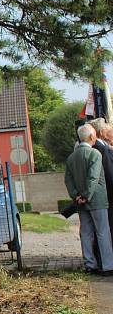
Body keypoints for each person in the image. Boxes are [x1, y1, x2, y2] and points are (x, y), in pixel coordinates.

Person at [64, 123, 113, 276]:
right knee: (103, 232)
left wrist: (76, 195)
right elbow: (93, 177)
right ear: (92, 137)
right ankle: (107, 265)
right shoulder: (95, 154)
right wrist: (86, 195)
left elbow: (68, 180)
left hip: (80, 201)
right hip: (97, 200)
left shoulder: (71, 158)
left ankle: (89, 264)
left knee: (85, 232)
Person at [89, 118, 113, 256]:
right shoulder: (103, 149)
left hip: (97, 197)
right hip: (106, 197)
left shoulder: (93, 147)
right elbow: (109, 174)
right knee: (104, 231)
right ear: (103, 132)